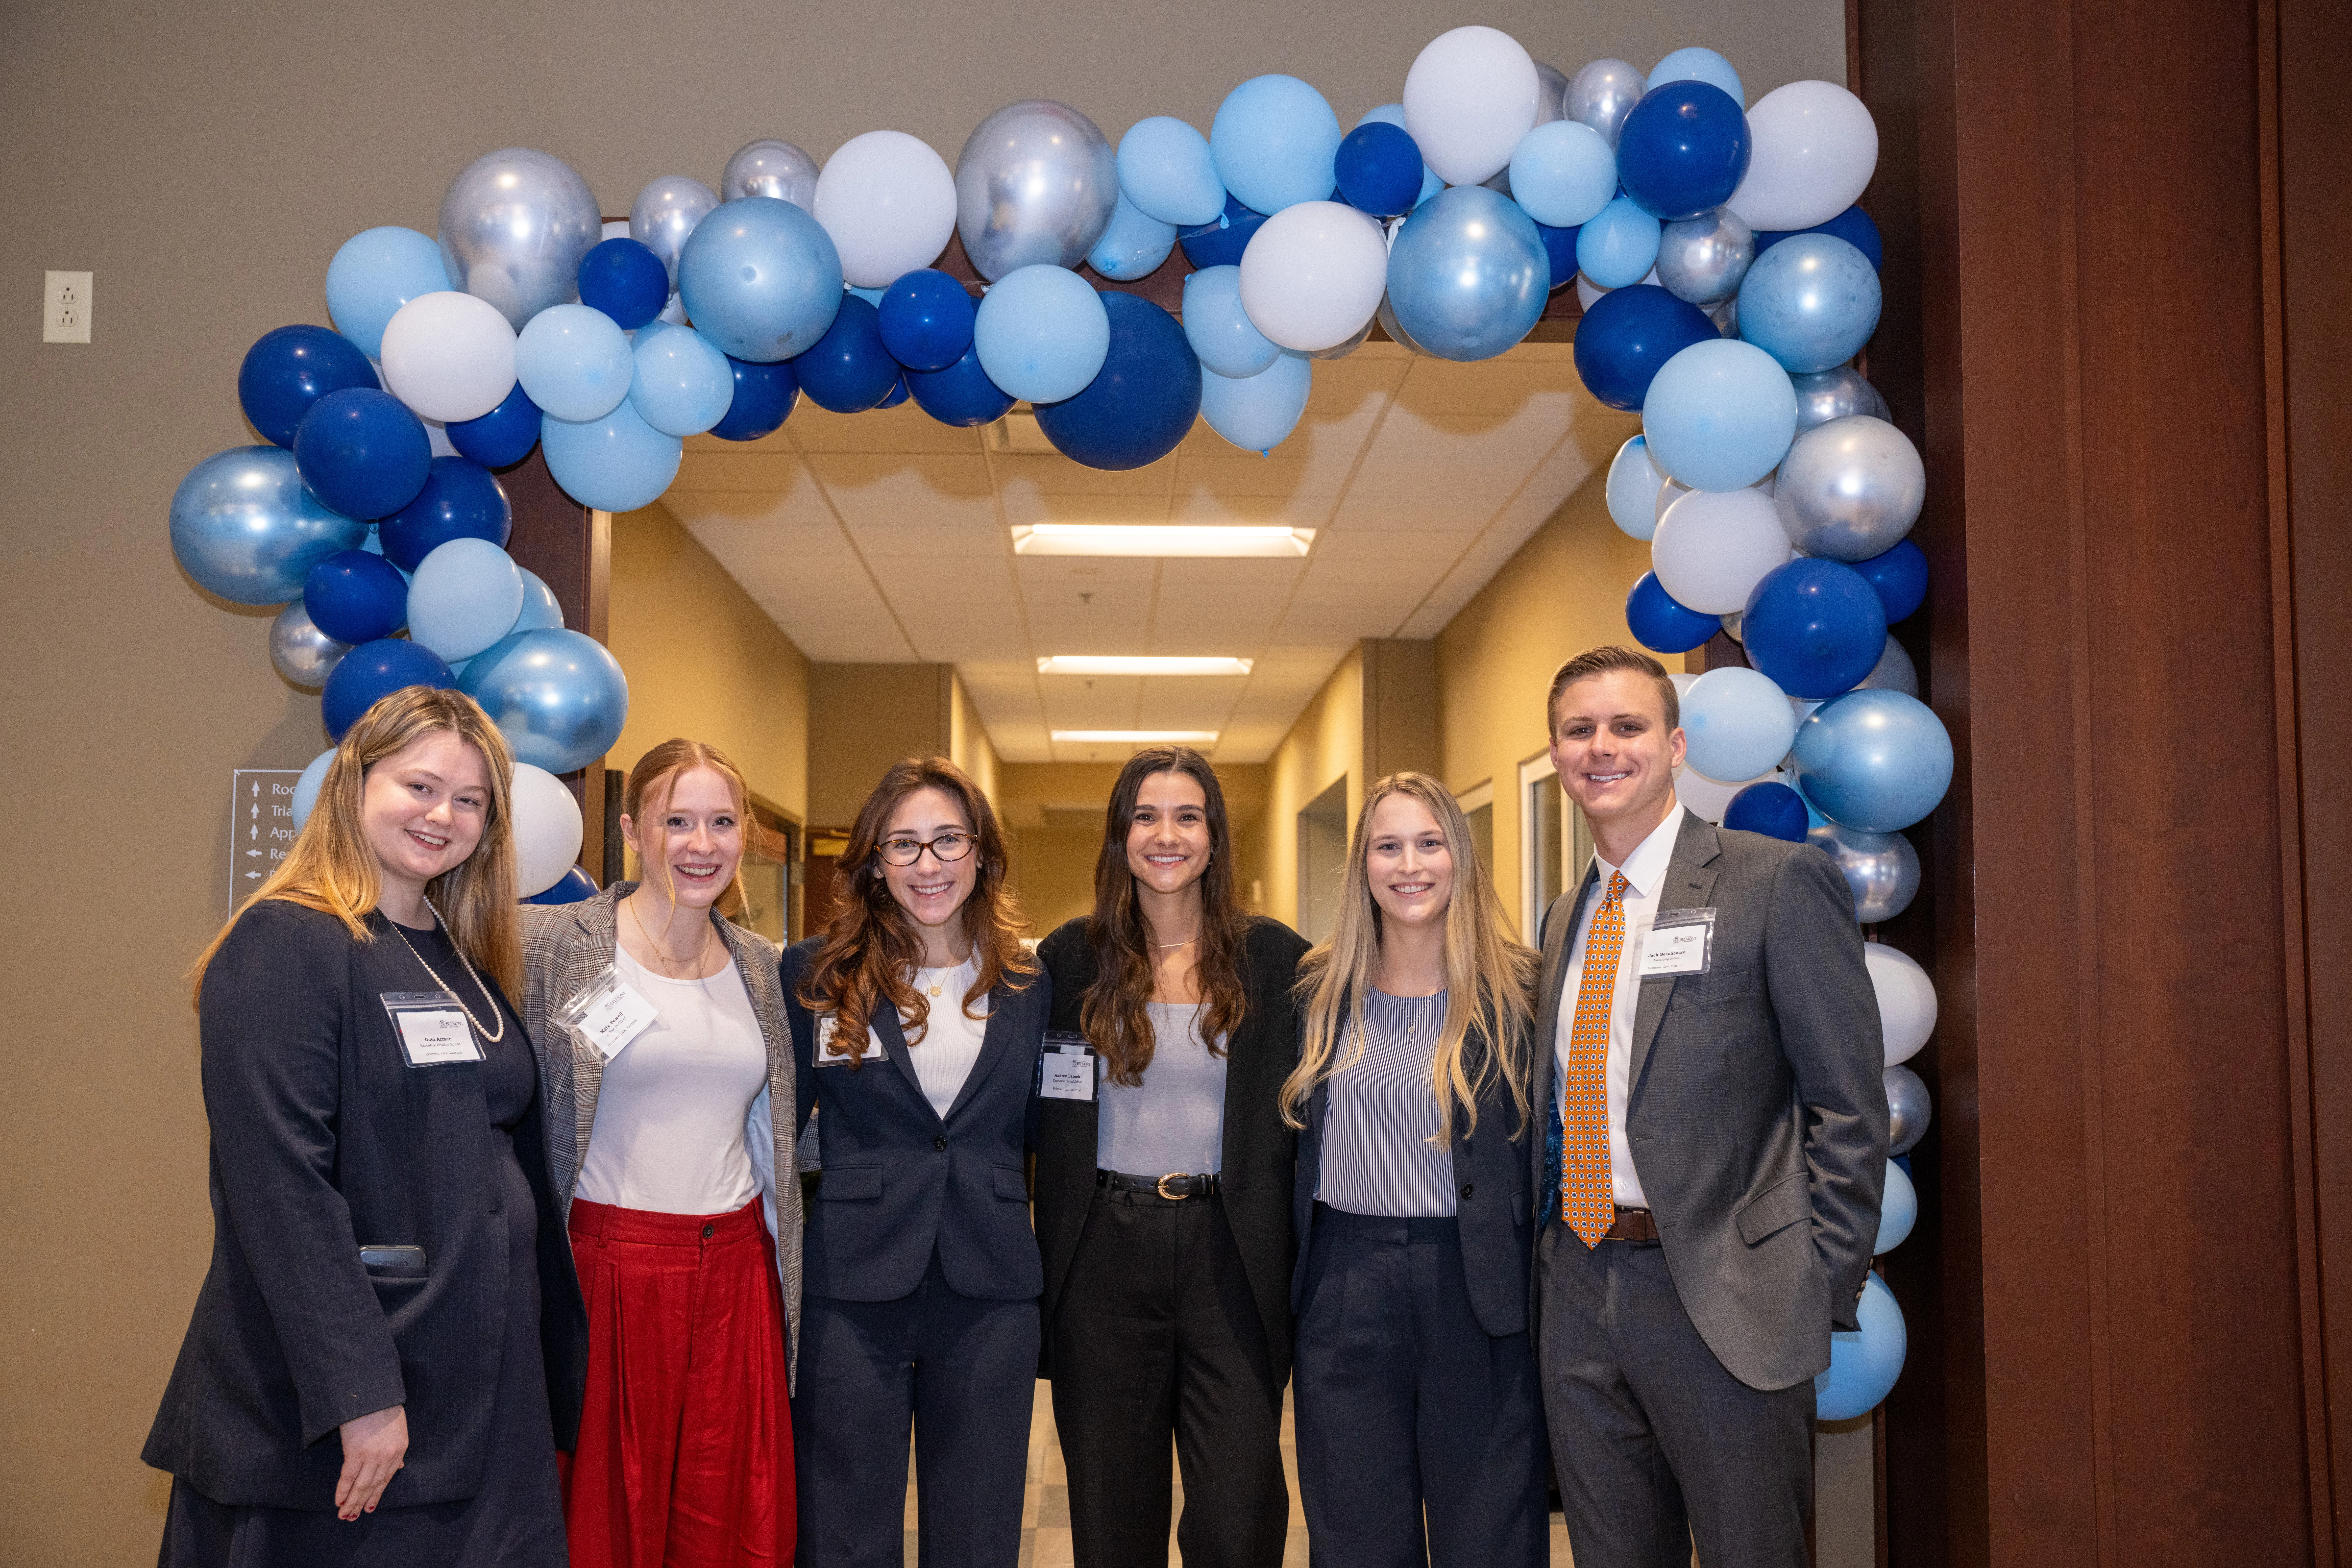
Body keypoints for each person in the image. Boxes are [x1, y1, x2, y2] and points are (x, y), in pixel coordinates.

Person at [145, 687, 587, 1567]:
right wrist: (362, 1395)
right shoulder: (285, 942)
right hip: (363, 1387)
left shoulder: (452, 949)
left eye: (469, 802)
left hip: (482, 1374)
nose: (444, 816)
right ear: (355, 784)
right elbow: (281, 1193)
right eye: (420, 788)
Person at [1530, 646, 1887, 1568]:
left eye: (1627, 726)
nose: (1601, 748)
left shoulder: (1771, 883)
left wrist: (1817, 1284)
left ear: (1677, 744)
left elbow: (1847, 1105)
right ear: (1560, 755)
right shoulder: (1566, 917)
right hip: (1579, 1285)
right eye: (1579, 731)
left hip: (1727, 1300)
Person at [515, 738, 799, 1568]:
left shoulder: (761, 967)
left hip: (740, 1274)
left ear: (743, 834)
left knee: (728, 1520)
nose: (701, 844)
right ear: (635, 830)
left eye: (720, 822)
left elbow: (782, 1122)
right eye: (678, 821)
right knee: (606, 1522)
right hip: (609, 1275)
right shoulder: (553, 944)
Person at [1033, 745, 1310, 1568]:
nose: (1167, 835)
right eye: (1145, 816)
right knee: (1113, 1518)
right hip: (1103, 1256)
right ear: (1120, 836)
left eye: (1188, 816)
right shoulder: (1068, 960)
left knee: (1239, 1513)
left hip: (1233, 1252)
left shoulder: (1275, 960)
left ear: (1216, 838)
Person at [780, 755, 1048, 1568]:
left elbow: (1047, 1125)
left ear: (982, 855)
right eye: (903, 845)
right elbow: (779, 1124)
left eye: (947, 841)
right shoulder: (815, 972)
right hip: (854, 1288)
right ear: (873, 862)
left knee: (977, 1527)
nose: (927, 865)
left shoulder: (1035, 980)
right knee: (845, 1526)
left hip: (991, 1291)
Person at [1280, 772, 1550, 1568]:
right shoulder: (1314, 991)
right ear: (1362, 864)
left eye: (1430, 844)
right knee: (1357, 1533)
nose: (1410, 866)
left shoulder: (1520, 991)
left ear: (1460, 858)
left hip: (1476, 1284)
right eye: (1388, 846)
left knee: (1489, 1532)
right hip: (1343, 1283)